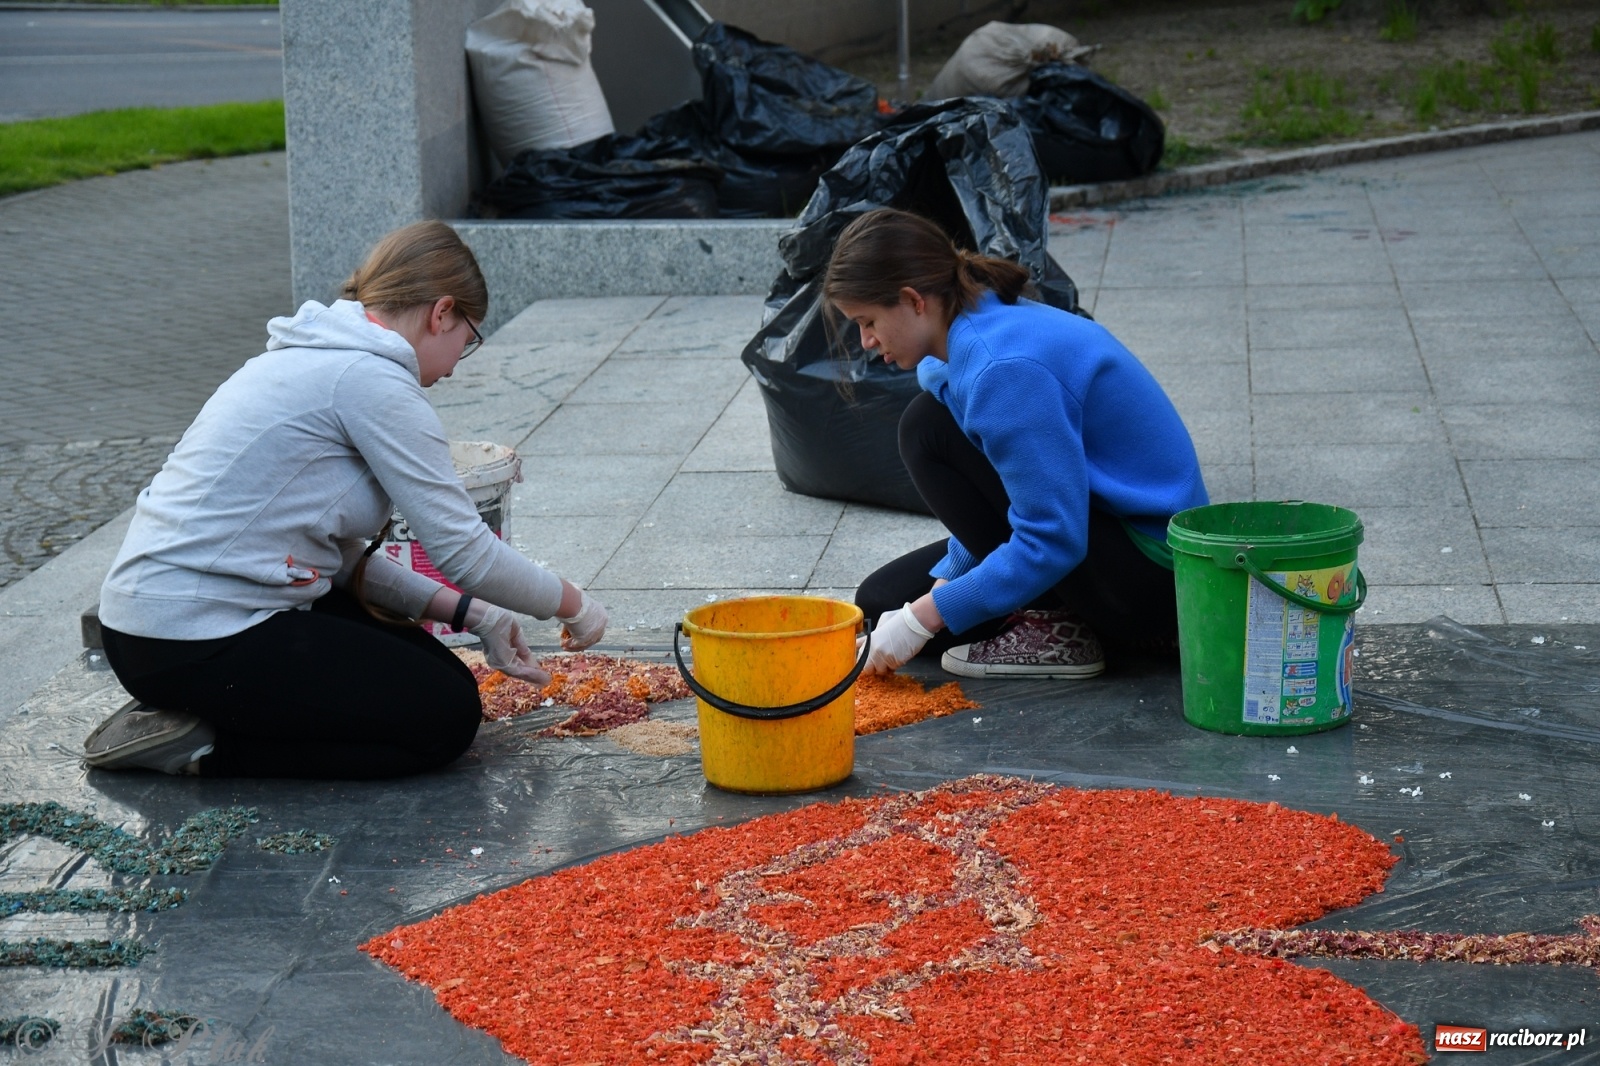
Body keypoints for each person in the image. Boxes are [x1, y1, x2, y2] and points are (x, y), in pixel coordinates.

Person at [84, 220, 608, 779]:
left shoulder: (314, 356)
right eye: (469, 338)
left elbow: (336, 558)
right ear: (442, 313)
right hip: (189, 636)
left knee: (448, 679)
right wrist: (575, 606)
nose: (458, 362)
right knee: (444, 720)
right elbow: (467, 554)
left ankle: (199, 710)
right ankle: (201, 745)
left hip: (149, 625)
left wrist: (477, 615)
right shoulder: (371, 382)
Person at [826, 208, 1207, 679]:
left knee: (926, 428)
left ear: (912, 300)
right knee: (880, 600)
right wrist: (936, 596)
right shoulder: (967, 329)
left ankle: (1060, 630)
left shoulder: (1002, 369)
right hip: (1092, 526)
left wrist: (925, 617)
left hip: (1154, 576)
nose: (865, 341)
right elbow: (1000, 494)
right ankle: (1049, 610)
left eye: (868, 321)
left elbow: (1052, 537)